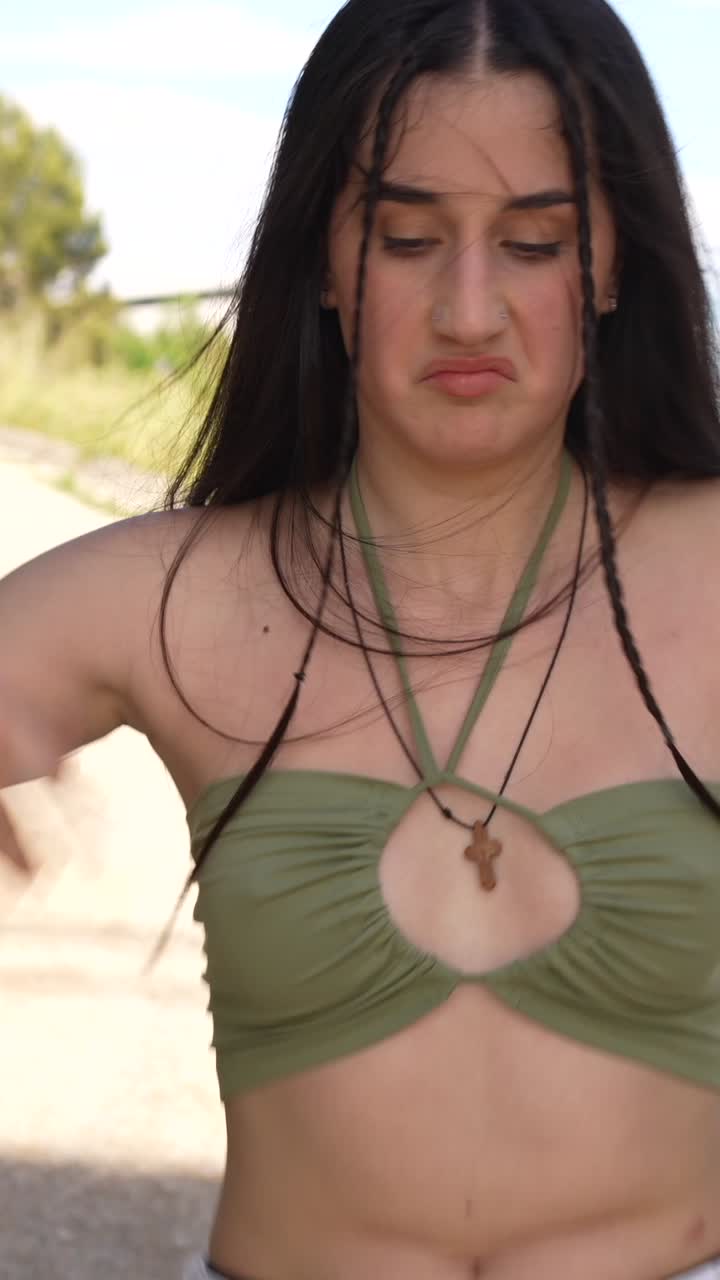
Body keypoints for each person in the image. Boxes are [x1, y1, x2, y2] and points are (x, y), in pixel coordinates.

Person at [2, 0, 720, 1275]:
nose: (469, 308)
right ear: (327, 263)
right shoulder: (177, 597)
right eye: (406, 237)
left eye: (536, 242)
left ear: (611, 261)